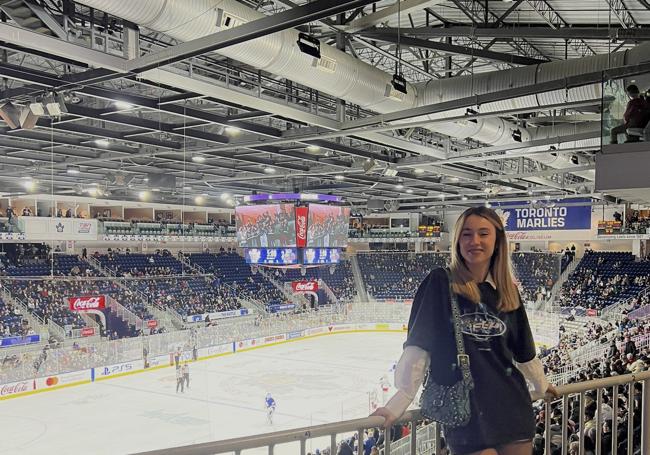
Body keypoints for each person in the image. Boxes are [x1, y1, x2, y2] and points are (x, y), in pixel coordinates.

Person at [371, 206, 558, 455]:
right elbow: (419, 346)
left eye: (483, 233)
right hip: (466, 413)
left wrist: (541, 384)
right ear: (457, 239)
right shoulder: (439, 282)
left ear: (497, 240)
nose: (475, 241)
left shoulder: (507, 292)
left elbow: (524, 349)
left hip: (512, 408)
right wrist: (397, 404)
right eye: (467, 234)